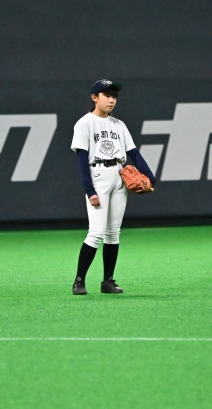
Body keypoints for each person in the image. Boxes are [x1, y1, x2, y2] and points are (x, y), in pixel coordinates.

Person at [70, 79, 156, 295]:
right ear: (94, 97)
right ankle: (79, 281)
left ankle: (107, 281)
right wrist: (89, 190)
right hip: (98, 175)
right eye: (107, 95)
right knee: (96, 232)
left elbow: (133, 153)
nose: (111, 100)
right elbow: (82, 159)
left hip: (119, 175)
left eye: (114, 96)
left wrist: (150, 176)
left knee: (113, 232)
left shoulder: (119, 125)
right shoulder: (84, 124)